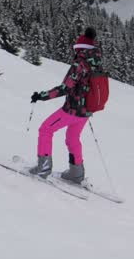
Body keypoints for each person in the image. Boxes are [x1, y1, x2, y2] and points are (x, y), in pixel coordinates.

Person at [28, 28, 102, 183]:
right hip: (86, 111)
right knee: (72, 138)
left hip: (72, 109)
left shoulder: (80, 64)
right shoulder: (96, 63)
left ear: (80, 49)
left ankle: (43, 167)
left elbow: (65, 88)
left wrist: (41, 96)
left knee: (46, 129)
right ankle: (76, 173)